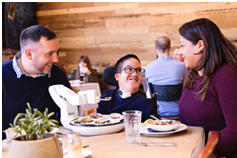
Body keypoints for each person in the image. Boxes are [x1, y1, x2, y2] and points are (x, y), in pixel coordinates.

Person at [178, 18, 237, 157]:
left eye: (182, 45)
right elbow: (184, 118)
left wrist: (201, 152)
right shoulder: (192, 73)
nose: (180, 52)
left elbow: (235, 132)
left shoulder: (227, 74)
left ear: (200, 45)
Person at [2, 25, 71, 139]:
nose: (56, 59)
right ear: (29, 54)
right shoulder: (2, 76)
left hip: (53, 141)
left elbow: (68, 113)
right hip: (12, 145)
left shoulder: (57, 73)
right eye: (50, 53)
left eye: (56, 52)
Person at [97, 54, 160, 122]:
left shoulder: (146, 103)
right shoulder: (106, 99)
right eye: (129, 69)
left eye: (138, 70)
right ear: (117, 76)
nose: (135, 74)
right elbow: (96, 123)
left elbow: (157, 125)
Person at [145, 36, 187, 117]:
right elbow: (186, 88)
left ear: (155, 49)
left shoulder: (148, 67)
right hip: (179, 111)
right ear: (170, 48)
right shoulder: (182, 66)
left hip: (158, 112)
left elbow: (149, 93)